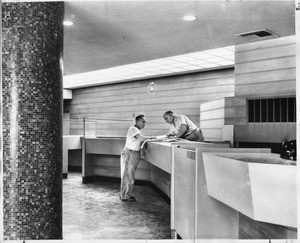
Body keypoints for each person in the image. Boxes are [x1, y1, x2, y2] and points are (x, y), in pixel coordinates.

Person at [120, 114, 156, 202]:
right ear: (137, 121)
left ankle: (124, 194)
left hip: (132, 153)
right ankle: (125, 196)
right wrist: (153, 137)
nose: (144, 124)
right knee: (128, 175)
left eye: (145, 122)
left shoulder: (136, 130)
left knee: (127, 175)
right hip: (130, 153)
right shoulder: (133, 129)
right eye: (143, 122)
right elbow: (141, 138)